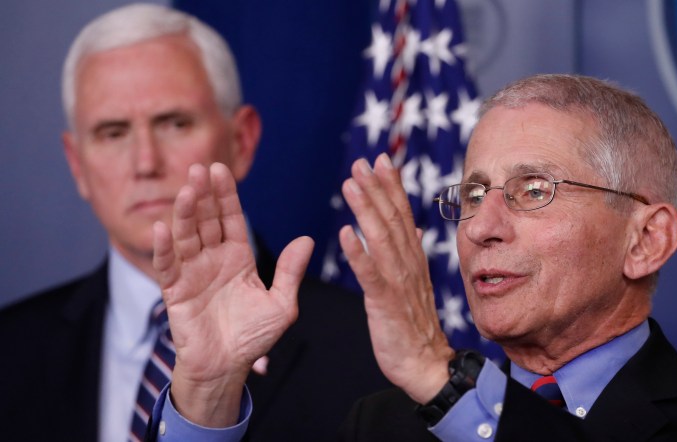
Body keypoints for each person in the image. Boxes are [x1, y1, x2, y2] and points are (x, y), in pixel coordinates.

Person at [149, 74, 677, 441]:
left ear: (646, 240)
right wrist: (207, 395)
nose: (481, 228)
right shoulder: (383, 426)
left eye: (534, 190)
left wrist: (440, 379)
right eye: (473, 195)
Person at [0, 4, 387, 442]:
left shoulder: (366, 348)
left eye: (175, 123)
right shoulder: (10, 352)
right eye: (113, 132)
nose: (145, 163)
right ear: (77, 164)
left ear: (242, 141)